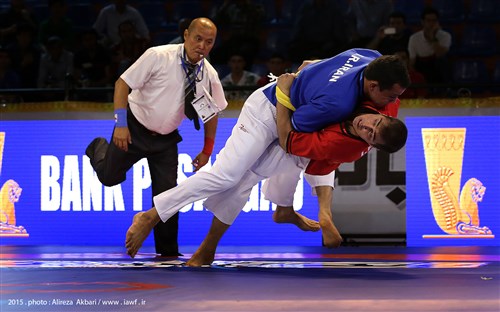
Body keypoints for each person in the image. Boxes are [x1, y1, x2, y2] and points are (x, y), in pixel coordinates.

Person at [124, 49, 410, 257]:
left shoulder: (369, 56)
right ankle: (152, 215)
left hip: (302, 132)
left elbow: (312, 62)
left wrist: (302, 75)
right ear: (373, 85)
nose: (392, 103)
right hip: (270, 111)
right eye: (390, 97)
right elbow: (287, 133)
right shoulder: (336, 105)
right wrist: (287, 89)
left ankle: (207, 250)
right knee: (228, 176)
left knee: (244, 183)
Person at [85, 18, 227, 257]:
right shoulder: (158, 56)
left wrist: (207, 150)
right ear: (186, 35)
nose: (202, 46)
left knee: (168, 196)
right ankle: (99, 147)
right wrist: (120, 124)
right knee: (109, 178)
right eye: (198, 39)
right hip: (132, 129)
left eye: (209, 42)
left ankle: (168, 252)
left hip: (166, 139)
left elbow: (211, 114)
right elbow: (122, 84)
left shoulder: (208, 75)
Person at [407, 7, 451, 86]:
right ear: (422, 22)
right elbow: (412, 62)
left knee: (442, 61)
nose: (431, 24)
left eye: (434, 21)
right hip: (421, 66)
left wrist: (433, 37)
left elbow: (440, 54)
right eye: (428, 21)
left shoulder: (445, 36)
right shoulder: (414, 38)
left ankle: (443, 90)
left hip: (436, 66)